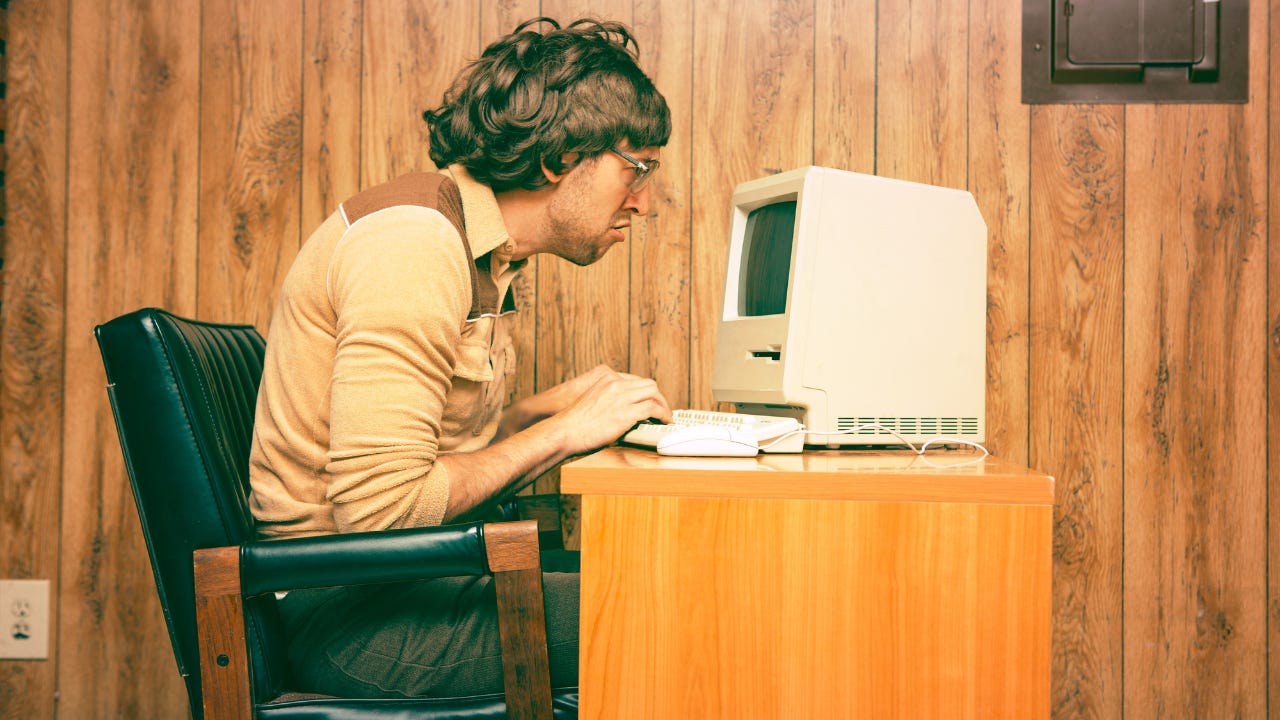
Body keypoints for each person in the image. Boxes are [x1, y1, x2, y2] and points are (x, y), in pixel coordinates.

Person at [247, 16, 673, 698]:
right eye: (637, 167)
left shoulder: (476, 248)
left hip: (403, 585)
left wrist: (546, 410)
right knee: (672, 615)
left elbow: (432, 455)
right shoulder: (413, 246)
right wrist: (561, 434)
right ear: (561, 158)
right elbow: (383, 512)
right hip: (353, 616)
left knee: (661, 580)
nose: (644, 201)